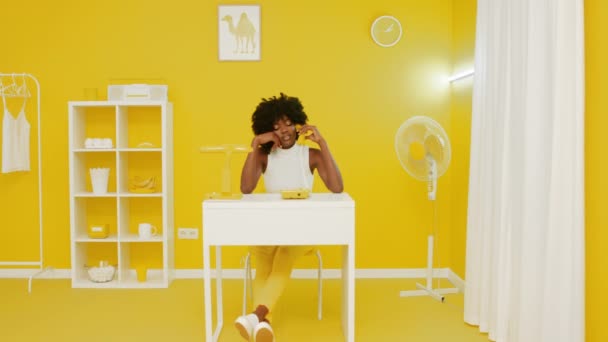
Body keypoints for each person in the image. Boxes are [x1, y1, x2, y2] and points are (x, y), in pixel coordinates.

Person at [235, 93, 343, 342]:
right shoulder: (264, 156)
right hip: (270, 228)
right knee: (262, 260)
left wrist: (323, 143)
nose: (283, 130)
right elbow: (246, 188)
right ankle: (263, 324)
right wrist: (254, 147)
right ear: (267, 131)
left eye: (286, 123)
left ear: (297, 122)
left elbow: (337, 187)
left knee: (283, 254)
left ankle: (256, 315)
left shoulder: (311, 154)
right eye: (275, 127)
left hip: (303, 230)